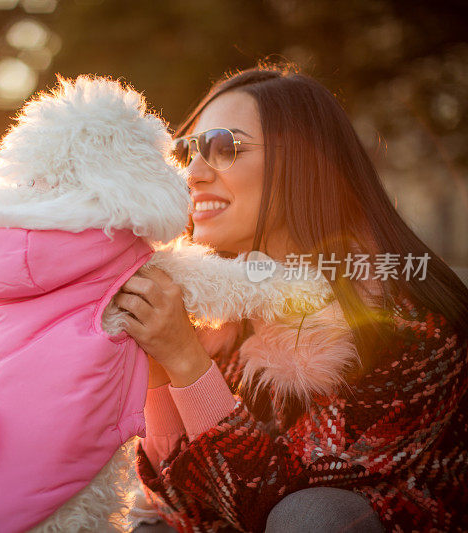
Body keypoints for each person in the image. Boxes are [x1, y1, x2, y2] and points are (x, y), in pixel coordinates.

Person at [118, 62, 468, 532]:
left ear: (305, 162)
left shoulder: (400, 325)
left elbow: (271, 506)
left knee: (314, 516)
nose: (194, 173)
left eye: (224, 147)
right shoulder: (222, 312)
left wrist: (185, 359)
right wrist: (161, 369)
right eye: (186, 153)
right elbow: (183, 511)